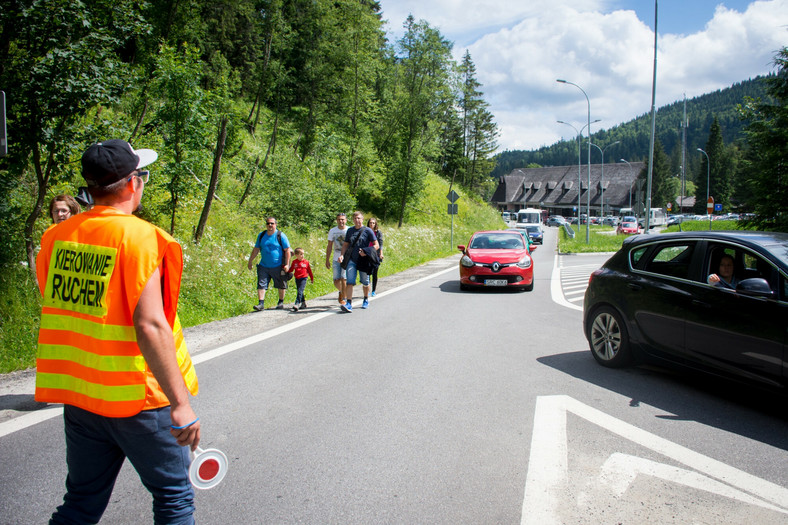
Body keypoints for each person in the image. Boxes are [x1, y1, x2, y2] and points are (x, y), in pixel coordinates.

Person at [35, 139, 200, 524]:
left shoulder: (55, 237)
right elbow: (150, 324)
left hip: (80, 394)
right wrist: (180, 403)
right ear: (132, 183)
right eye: (142, 175)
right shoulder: (141, 238)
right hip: (137, 397)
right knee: (174, 498)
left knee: (81, 501)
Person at [248, 217, 292, 311]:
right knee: (261, 284)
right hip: (264, 265)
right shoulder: (261, 235)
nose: (270, 225)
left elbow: (287, 250)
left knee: (281, 284)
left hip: (278, 265)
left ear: (275, 224)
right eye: (268, 223)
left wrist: (287, 264)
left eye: (272, 223)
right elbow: (256, 249)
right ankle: (261, 304)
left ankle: (280, 302)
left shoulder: (281, 235)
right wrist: (250, 261)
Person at [338, 211, 379, 312]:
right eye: (355, 218)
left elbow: (376, 245)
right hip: (352, 259)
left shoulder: (368, 230)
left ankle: (365, 299)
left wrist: (366, 252)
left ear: (362, 219)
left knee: (365, 281)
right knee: (350, 282)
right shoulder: (350, 231)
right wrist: (342, 255)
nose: (357, 220)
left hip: (364, 260)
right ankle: (349, 303)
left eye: (359, 218)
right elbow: (345, 245)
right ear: (353, 220)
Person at [325, 212, 348, 306]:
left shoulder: (349, 230)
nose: (341, 221)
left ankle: (344, 298)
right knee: (336, 280)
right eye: (339, 219)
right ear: (336, 220)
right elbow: (329, 245)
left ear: (346, 220)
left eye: (342, 219)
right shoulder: (332, 231)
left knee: (344, 278)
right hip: (336, 257)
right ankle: (341, 291)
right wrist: (327, 259)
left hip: (346, 258)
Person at [366, 217, 384, 297]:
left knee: (375, 273)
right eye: (370, 223)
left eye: (373, 223)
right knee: (367, 273)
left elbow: (380, 244)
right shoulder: (365, 232)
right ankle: (368, 289)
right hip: (367, 254)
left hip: (375, 255)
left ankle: (373, 290)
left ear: (375, 224)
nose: (372, 224)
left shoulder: (378, 233)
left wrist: (381, 253)